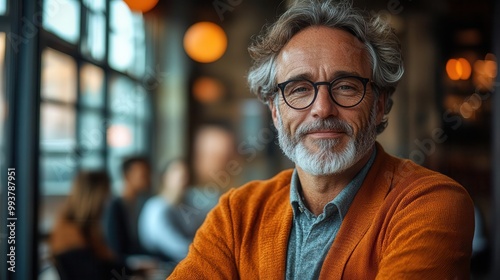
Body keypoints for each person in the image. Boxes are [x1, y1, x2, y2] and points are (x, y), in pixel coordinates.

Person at [168, 0, 475, 279]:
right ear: (275, 110)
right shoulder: (236, 214)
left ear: (379, 104)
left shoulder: (432, 203)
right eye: (299, 89)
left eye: (346, 86)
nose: (322, 109)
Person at [139, 123, 237, 265]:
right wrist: (214, 251)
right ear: (165, 177)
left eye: (185, 175)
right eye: (178, 175)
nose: (183, 179)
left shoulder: (185, 201)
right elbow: (176, 247)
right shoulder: (157, 208)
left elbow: (214, 208)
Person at [49, 170, 125, 280]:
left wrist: (134, 270)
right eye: (105, 196)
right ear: (94, 199)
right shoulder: (69, 233)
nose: (107, 203)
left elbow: (109, 266)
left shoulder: (88, 231)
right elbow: (95, 275)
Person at [103, 156, 151, 263]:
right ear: (127, 176)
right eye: (143, 175)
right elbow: (116, 249)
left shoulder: (141, 204)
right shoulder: (115, 207)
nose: (148, 179)